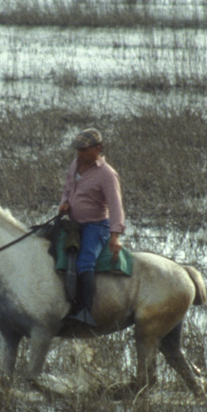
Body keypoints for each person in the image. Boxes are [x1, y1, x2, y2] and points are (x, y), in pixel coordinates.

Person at [58, 128, 125, 327]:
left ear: (98, 149)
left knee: (85, 262)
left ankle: (84, 311)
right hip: (73, 224)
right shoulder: (75, 165)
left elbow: (115, 206)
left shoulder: (107, 174)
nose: (79, 154)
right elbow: (68, 188)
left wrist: (115, 236)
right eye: (77, 150)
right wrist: (65, 202)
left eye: (84, 150)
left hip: (96, 226)